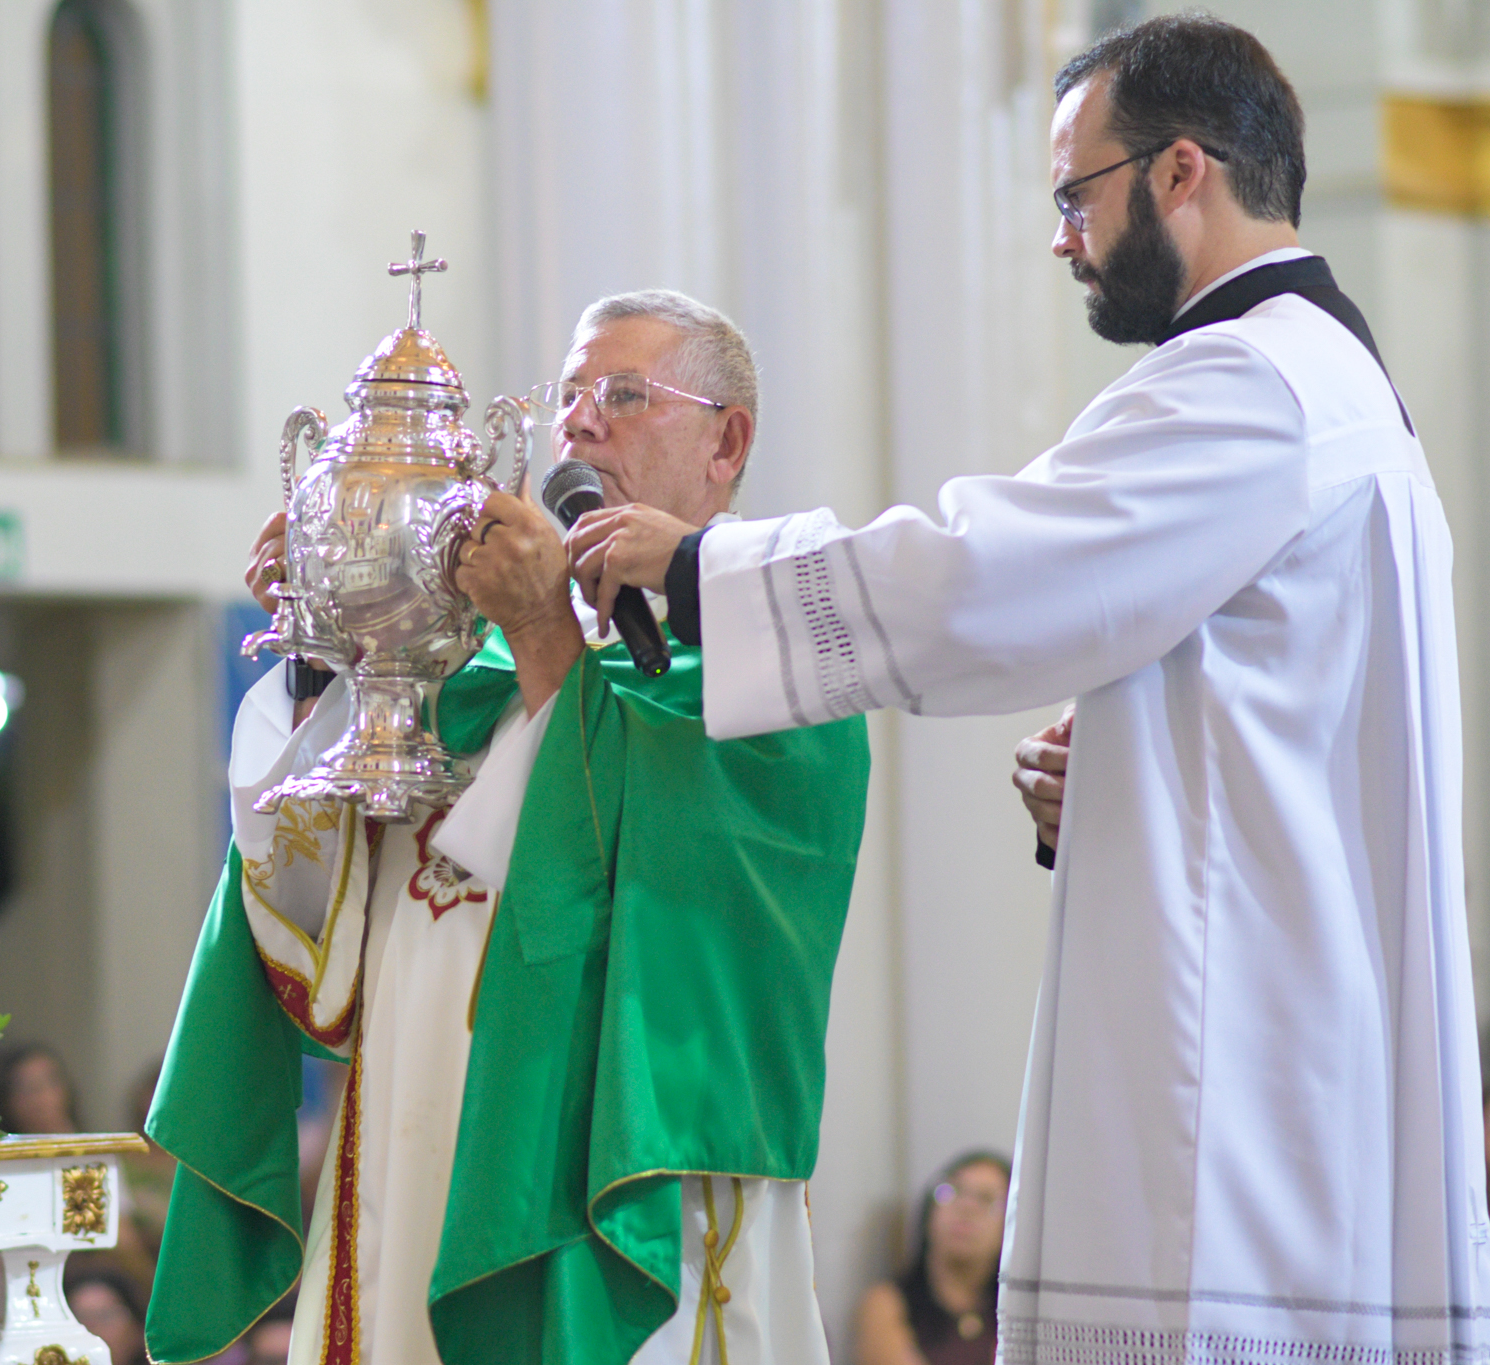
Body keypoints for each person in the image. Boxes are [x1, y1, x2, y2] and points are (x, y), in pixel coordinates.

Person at [571, 15, 1488, 1363]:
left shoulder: (1250, 379)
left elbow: (984, 572)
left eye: (1075, 195)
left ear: (1179, 171)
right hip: (1294, 1010)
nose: (1063, 239)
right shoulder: (1335, 383)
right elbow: (1271, 726)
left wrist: (705, 567)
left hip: (1239, 1087)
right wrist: (1117, 773)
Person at [143, 291, 870, 1365]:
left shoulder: (778, 651)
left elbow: (660, 882)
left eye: (624, 394)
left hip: (614, 1172)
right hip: (416, 1138)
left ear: (726, 442)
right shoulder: (469, 662)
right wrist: (325, 655)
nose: (580, 421)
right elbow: (315, 918)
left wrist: (538, 627)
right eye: (569, 395)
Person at [856, 1154, 1009, 1365]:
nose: (967, 1207)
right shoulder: (888, 1304)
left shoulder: (1018, 1314)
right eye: (953, 1191)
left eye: (986, 1199)